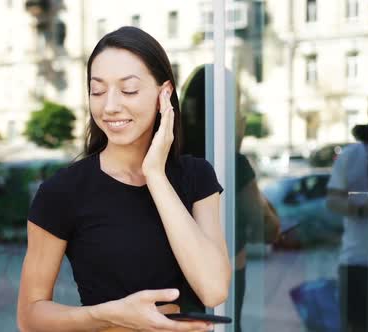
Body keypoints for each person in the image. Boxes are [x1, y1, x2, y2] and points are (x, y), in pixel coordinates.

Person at [17, 26, 230, 332]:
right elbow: (29, 318)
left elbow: (214, 288)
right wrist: (110, 314)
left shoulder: (196, 177)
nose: (110, 106)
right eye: (98, 90)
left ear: (164, 93)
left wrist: (155, 174)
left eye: (128, 89)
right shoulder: (62, 192)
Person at [180, 64, 279, 332]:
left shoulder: (174, 161)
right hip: (224, 283)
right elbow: (267, 227)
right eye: (238, 106)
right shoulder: (231, 165)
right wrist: (235, 146)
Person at [326, 107, 368, 332]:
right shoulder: (350, 155)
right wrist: (361, 207)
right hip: (355, 259)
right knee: (354, 325)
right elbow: (333, 200)